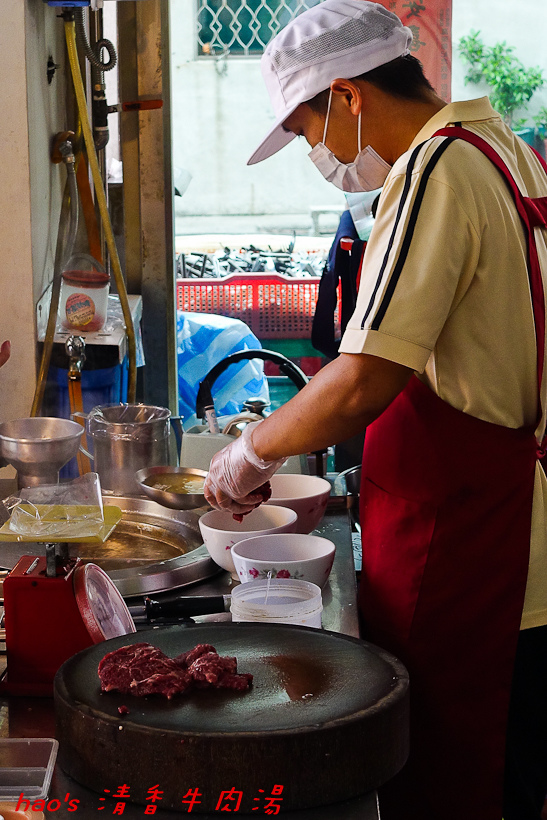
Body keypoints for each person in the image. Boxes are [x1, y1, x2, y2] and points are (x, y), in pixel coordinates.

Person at [203, 2, 547, 818]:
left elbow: (364, 376)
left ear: (349, 97)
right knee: (514, 771)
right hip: (507, 531)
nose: (315, 153)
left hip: (471, 547)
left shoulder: (435, 168)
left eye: (307, 128)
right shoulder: (505, 150)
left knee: (461, 780)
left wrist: (251, 452)